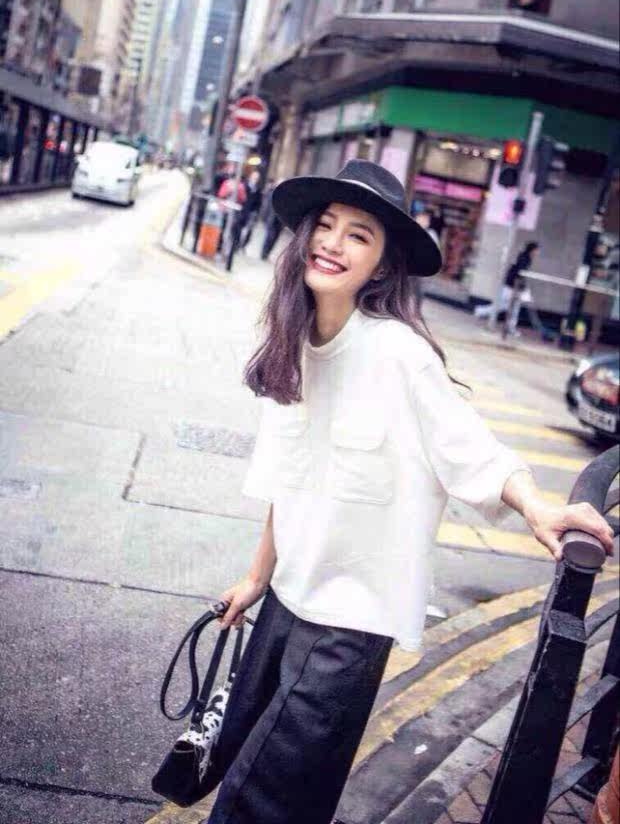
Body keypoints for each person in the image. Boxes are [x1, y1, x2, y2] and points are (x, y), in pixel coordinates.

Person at [204, 162, 613, 824]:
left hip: (348, 628)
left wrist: (538, 506)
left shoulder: (398, 354)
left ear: (381, 266)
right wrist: (256, 578)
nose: (332, 243)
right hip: (284, 605)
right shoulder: (293, 342)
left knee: (254, 803)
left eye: (358, 235)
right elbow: (289, 479)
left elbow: (469, 445)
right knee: (270, 788)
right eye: (326, 225)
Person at [474, 240, 539, 328]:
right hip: (511, 286)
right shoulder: (525, 259)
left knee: (510, 307)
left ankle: (482, 312)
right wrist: (522, 288)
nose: (537, 252)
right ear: (532, 250)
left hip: (512, 286)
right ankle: (481, 311)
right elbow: (520, 274)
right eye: (536, 250)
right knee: (507, 306)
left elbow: (519, 273)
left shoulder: (525, 258)